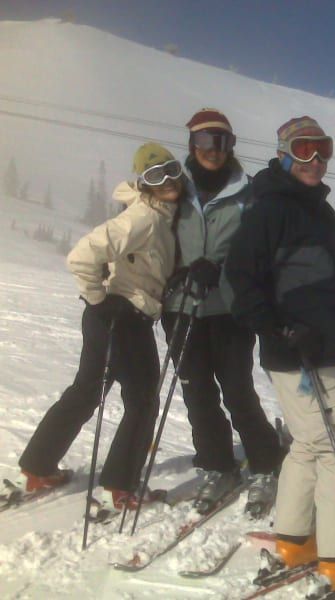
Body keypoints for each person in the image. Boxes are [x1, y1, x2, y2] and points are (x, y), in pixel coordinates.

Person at [223, 116, 335, 591]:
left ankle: (292, 537)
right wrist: (283, 329)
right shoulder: (268, 210)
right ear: (284, 153)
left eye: (322, 149)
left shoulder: (323, 214)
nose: (315, 160)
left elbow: (332, 281)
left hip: (329, 344)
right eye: (304, 149)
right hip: (297, 352)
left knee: (311, 445)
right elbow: (240, 284)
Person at [14, 143, 181, 510]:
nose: (168, 180)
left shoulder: (160, 215)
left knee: (86, 391)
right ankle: (123, 486)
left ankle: (39, 467)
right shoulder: (144, 218)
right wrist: (99, 300)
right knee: (142, 400)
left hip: (110, 316)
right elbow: (81, 256)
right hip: (121, 317)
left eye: (172, 170)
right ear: (145, 183)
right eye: (156, 176)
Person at [161, 108, 283, 515]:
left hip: (230, 308)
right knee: (197, 392)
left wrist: (222, 268)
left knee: (237, 390)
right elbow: (149, 230)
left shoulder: (246, 192)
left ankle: (265, 462)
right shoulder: (174, 188)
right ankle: (217, 463)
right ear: (193, 145)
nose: (215, 150)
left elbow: (258, 250)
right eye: (206, 141)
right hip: (181, 306)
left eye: (223, 142)